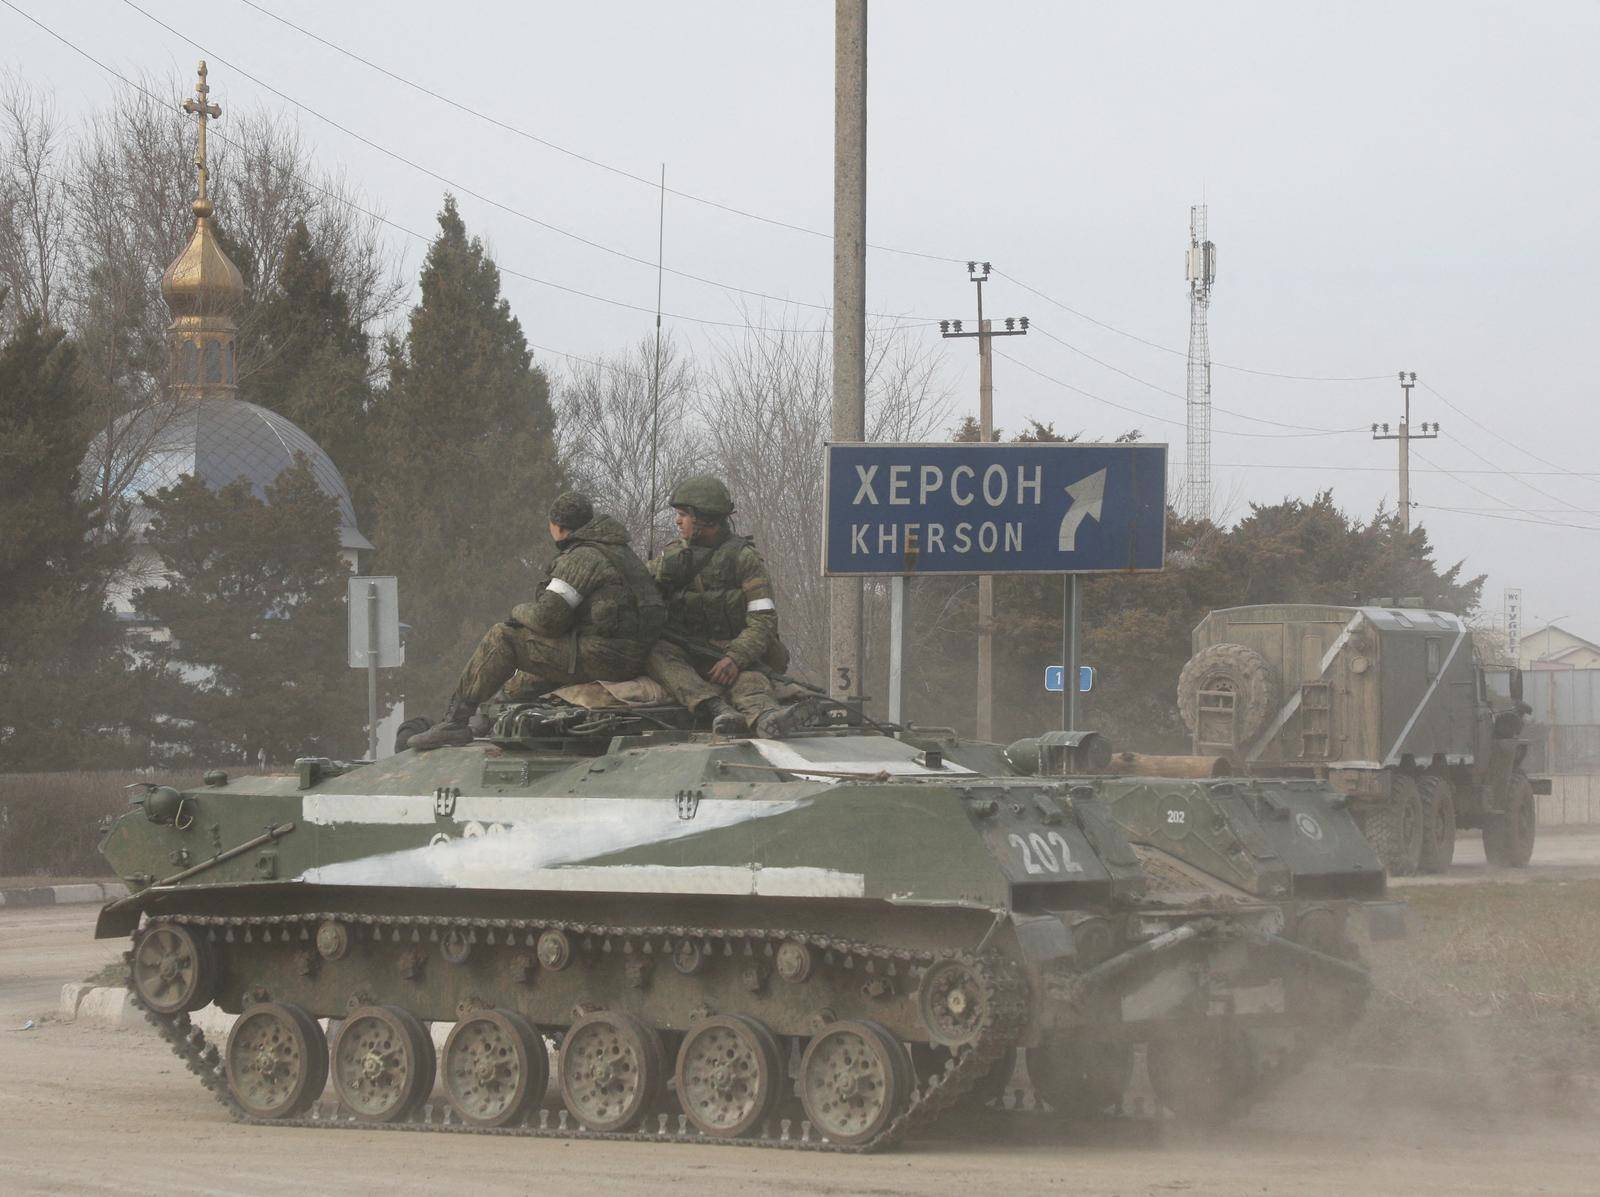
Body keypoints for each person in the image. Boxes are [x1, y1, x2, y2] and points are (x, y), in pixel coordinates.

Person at [406, 492, 664, 751]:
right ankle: (488, 719)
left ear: (558, 526)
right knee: (532, 671)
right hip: (630, 656)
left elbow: (547, 619)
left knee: (503, 638)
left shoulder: (582, 557)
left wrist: (517, 612)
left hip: (603, 657)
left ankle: (454, 722)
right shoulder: (621, 553)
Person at [646, 475, 809, 739]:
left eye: (684, 515)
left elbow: (763, 620)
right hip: (689, 654)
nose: (678, 521)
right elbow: (642, 594)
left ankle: (766, 717)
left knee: (750, 682)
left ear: (705, 518)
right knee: (657, 654)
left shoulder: (744, 559)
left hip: (736, 655)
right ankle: (716, 708)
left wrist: (735, 658)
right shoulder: (671, 558)